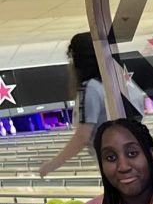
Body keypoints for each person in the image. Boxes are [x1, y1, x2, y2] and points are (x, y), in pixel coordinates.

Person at [40, 33, 144, 177]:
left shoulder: (89, 88)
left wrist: (52, 164)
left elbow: (82, 136)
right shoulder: (121, 79)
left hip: (115, 167)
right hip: (139, 159)